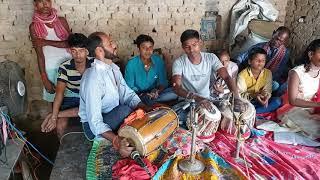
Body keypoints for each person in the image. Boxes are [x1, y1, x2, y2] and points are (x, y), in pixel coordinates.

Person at [79, 32, 151, 158]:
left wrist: (145, 108)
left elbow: (127, 94)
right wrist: (116, 141)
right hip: (93, 127)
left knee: (144, 104)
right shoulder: (93, 78)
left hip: (113, 113)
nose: (114, 45)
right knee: (126, 111)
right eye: (110, 43)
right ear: (99, 51)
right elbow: (95, 122)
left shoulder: (112, 68)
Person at [172, 29, 245, 126]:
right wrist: (197, 98)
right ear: (183, 48)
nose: (192, 50)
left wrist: (237, 98)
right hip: (187, 101)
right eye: (187, 47)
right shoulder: (179, 63)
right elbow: (176, 87)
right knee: (183, 122)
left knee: (229, 118)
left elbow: (227, 77)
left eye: (194, 45)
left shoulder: (211, 58)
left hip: (207, 99)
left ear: (200, 43)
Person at [40, 33, 93, 137]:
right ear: (70, 51)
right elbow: (59, 93)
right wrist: (55, 118)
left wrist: (54, 115)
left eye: (81, 51)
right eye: (74, 51)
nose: (78, 55)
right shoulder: (65, 67)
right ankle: (62, 149)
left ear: (86, 51)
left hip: (88, 97)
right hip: (71, 98)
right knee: (60, 125)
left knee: (93, 121)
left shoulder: (94, 64)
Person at [29, 0, 71, 104]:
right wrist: (44, 79)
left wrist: (45, 42)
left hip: (69, 66)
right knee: (56, 104)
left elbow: (71, 44)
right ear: (35, 5)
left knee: (73, 99)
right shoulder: (33, 27)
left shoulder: (62, 21)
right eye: (40, 1)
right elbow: (40, 55)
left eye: (47, 1)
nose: (45, 4)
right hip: (51, 69)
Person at [278, 39, 320, 140]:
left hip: (313, 109)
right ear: (311, 54)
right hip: (293, 110)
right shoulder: (296, 73)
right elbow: (293, 100)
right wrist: (318, 105)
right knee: (317, 129)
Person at [125, 34, 177, 105]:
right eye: (144, 47)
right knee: (138, 99)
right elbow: (129, 87)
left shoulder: (158, 60)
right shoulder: (131, 64)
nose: (148, 50)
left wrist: (156, 91)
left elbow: (163, 82)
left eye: (150, 47)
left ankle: (151, 102)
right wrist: (143, 95)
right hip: (139, 95)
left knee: (174, 93)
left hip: (155, 95)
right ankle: (150, 103)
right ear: (138, 49)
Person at [236, 26, 291, 94]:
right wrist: (236, 67)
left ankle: (256, 92)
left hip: (267, 78)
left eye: (280, 41)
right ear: (273, 33)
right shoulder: (260, 46)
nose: (276, 42)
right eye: (276, 38)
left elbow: (278, 72)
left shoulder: (285, 53)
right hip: (251, 76)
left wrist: (263, 81)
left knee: (276, 85)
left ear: (285, 42)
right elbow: (242, 57)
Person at [237, 47, 282, 114]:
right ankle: (254, 111)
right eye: (257, 60)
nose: (260, 62)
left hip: (260, 99)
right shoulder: (242, 75)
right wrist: (255, 96)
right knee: (239, 105)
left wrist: (265, 97)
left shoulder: (268, 73)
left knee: (277, 101)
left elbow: (267, 89)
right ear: (249, 61)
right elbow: (239, 95)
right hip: (247, 101)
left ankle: (253, 112)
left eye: (263, 60)